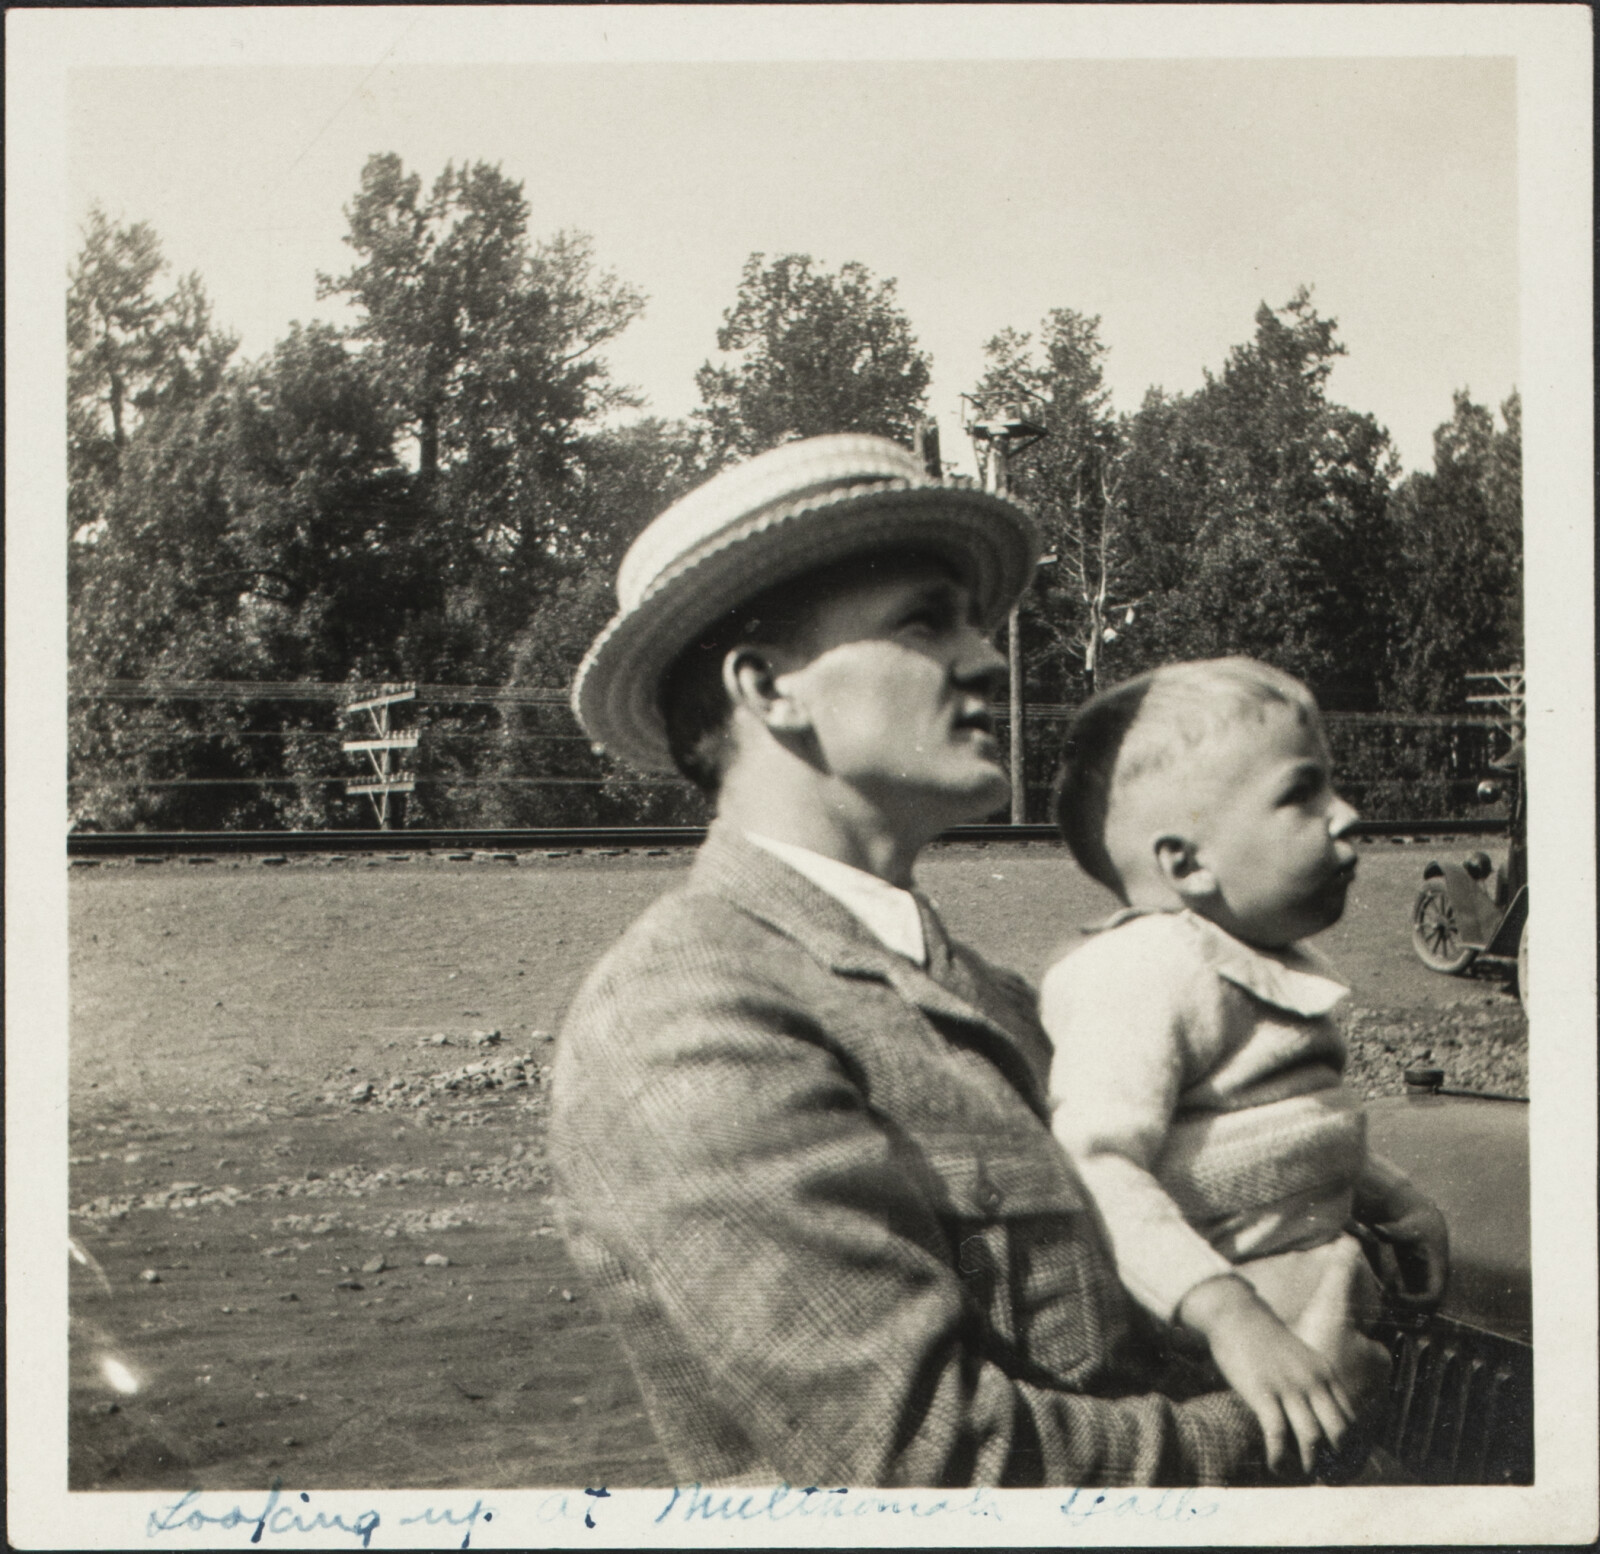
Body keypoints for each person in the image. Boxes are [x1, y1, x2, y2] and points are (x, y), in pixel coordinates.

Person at [550, 435, 1385, 1488]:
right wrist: (1291, 1420)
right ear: (768, 689)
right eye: (923, 620)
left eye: (974, 623)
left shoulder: (989, 995)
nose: (988, 658)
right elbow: (921, 1464)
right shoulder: (689, 1018)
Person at [1042, 658, 1449, 1476]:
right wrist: (1230, 1317)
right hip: (1205, 1350)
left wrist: (1398, 1199)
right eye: (1303, 794)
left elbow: (1284, 1131)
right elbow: (1096, 1171)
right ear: (1188, 865)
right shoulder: (1144, 970)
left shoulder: (1267, 962)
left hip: (1306, 1323)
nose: (1348, 816)